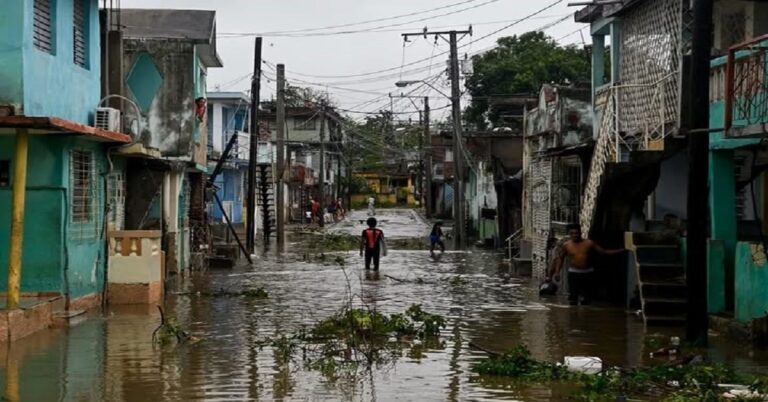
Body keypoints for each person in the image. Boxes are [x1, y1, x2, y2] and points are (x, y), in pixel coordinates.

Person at [546, 224, 624, 306]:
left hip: (587, 273)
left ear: (580, 233)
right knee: (573, 297)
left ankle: (585, 315)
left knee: (587, 298)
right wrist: (557, 272)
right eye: (572, 233)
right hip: (574, 273)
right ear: (569, 234)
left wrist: (621, 251)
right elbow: (560, 259)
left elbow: (604, 252)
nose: (574, 235)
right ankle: (573, 316)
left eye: (576, 233)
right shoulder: (566, 245)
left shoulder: (589, 243)